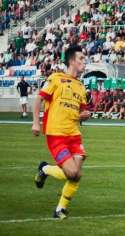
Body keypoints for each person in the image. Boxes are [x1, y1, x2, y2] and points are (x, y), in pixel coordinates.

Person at [33, 46, 90, 220]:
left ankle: (60, 210)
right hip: (56, 133)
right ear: (71, 61)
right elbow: (39, 99)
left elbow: (80, 113)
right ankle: (46, 169)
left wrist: (85, 116)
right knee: (72, 173)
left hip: (74, 134)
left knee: (77, 175)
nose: (84, 61)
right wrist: (36, 122)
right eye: (81, 58)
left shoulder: (81, 87)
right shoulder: (56, 78)